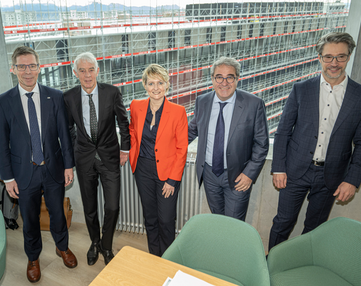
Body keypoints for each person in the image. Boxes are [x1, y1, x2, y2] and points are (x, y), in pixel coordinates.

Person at [269, 32, 361, 251]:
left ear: (348, 57)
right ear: (319, 57)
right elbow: (283, 132)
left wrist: (352, 180)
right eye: (328, 57)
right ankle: (271, 264)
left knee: (314, 228)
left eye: (340, 57)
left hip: (332, 176)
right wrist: (279, 168)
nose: (334, 63)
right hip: (294, 170)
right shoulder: (302, 89)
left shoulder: (358, 96)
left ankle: (299, 268)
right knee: (283, 223)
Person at [0, 46, 77, 283]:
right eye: (22, 66)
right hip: (23, 174)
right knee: (29, 219)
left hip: (53, 170)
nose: (27, 71)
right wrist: (8, 178)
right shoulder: (3, 102)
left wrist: (68, 165)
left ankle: (62, 247)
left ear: (39, 68)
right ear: (14, 69)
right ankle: (33, 258)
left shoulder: (55, 96)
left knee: (57, 214)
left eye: (32, 66)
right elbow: (1, 144)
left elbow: (64, 134)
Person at [63, 52, 130, 265]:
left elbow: (123, 122)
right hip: (85, 160)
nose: (87, 74)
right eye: (82, 70)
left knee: (112, 206)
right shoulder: (69, 97)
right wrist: (77, 149)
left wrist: (125, 150)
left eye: (91, 69)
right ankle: (94, 242)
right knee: (90, 208)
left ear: (97, 71)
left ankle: (106, 245)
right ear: (75, 73)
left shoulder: (111, 92)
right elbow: (67, 129)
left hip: (110, 157)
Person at [188, 56, 269, 221]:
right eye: (219, 77)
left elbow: (261, 144)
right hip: (210, 174)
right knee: (218, 219)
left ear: (237, 79)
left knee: (234, 223)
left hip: (238, 176)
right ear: (212, 79)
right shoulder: (202, 101)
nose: (224, 82)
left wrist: (249, 174)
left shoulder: (254, 104)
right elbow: (191, 131)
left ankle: (233, 247)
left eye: (229, 77)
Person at [129, 64, 188, 256]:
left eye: (160, 83)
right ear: (145, 85)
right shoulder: (136, 106)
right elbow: (131, 131)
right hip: (143, 169)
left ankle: (168, 258)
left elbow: (182, 149)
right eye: (151, 83)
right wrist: (130, 154)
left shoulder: (178, 111)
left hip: (167, 173)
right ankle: (155, 256)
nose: (156, 88)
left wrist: (172, 180)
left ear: (167, 85)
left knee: (166, 219)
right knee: (150, 217)